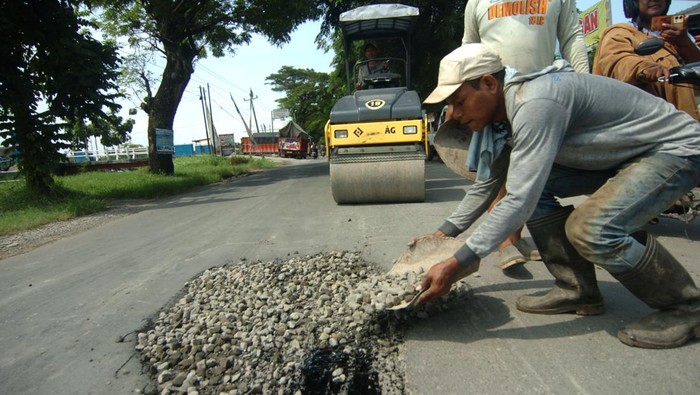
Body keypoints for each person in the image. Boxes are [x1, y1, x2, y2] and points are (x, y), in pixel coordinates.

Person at [414, 43, 700, 349]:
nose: (454, 115)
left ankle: (686, 308)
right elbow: (489, 183)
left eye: (459, 102)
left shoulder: (535, 102)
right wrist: (443, 234)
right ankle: (577, 288)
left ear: (488, 83)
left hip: (672, 150)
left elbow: (518, 200)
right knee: (533, 187)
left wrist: (456, 263)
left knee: (590, 228)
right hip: (620, 155)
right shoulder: (503, 116)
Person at [459, 0, 590, 270]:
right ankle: (505, 242)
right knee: (496, 175)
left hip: (542, 98)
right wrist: (464, 98)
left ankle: (514, 238)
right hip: (493, 100)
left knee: (528, 176)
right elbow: (467, 50)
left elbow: (571, 37)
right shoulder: (478, 3)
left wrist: (584, 84)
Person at [593, 0, 700, 120]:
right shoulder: (619, 33)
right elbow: (618, 60)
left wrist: (684, 43)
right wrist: (644, 68)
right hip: (647, 124)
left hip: (689, 121)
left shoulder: (681, 35)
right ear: (632, 2)